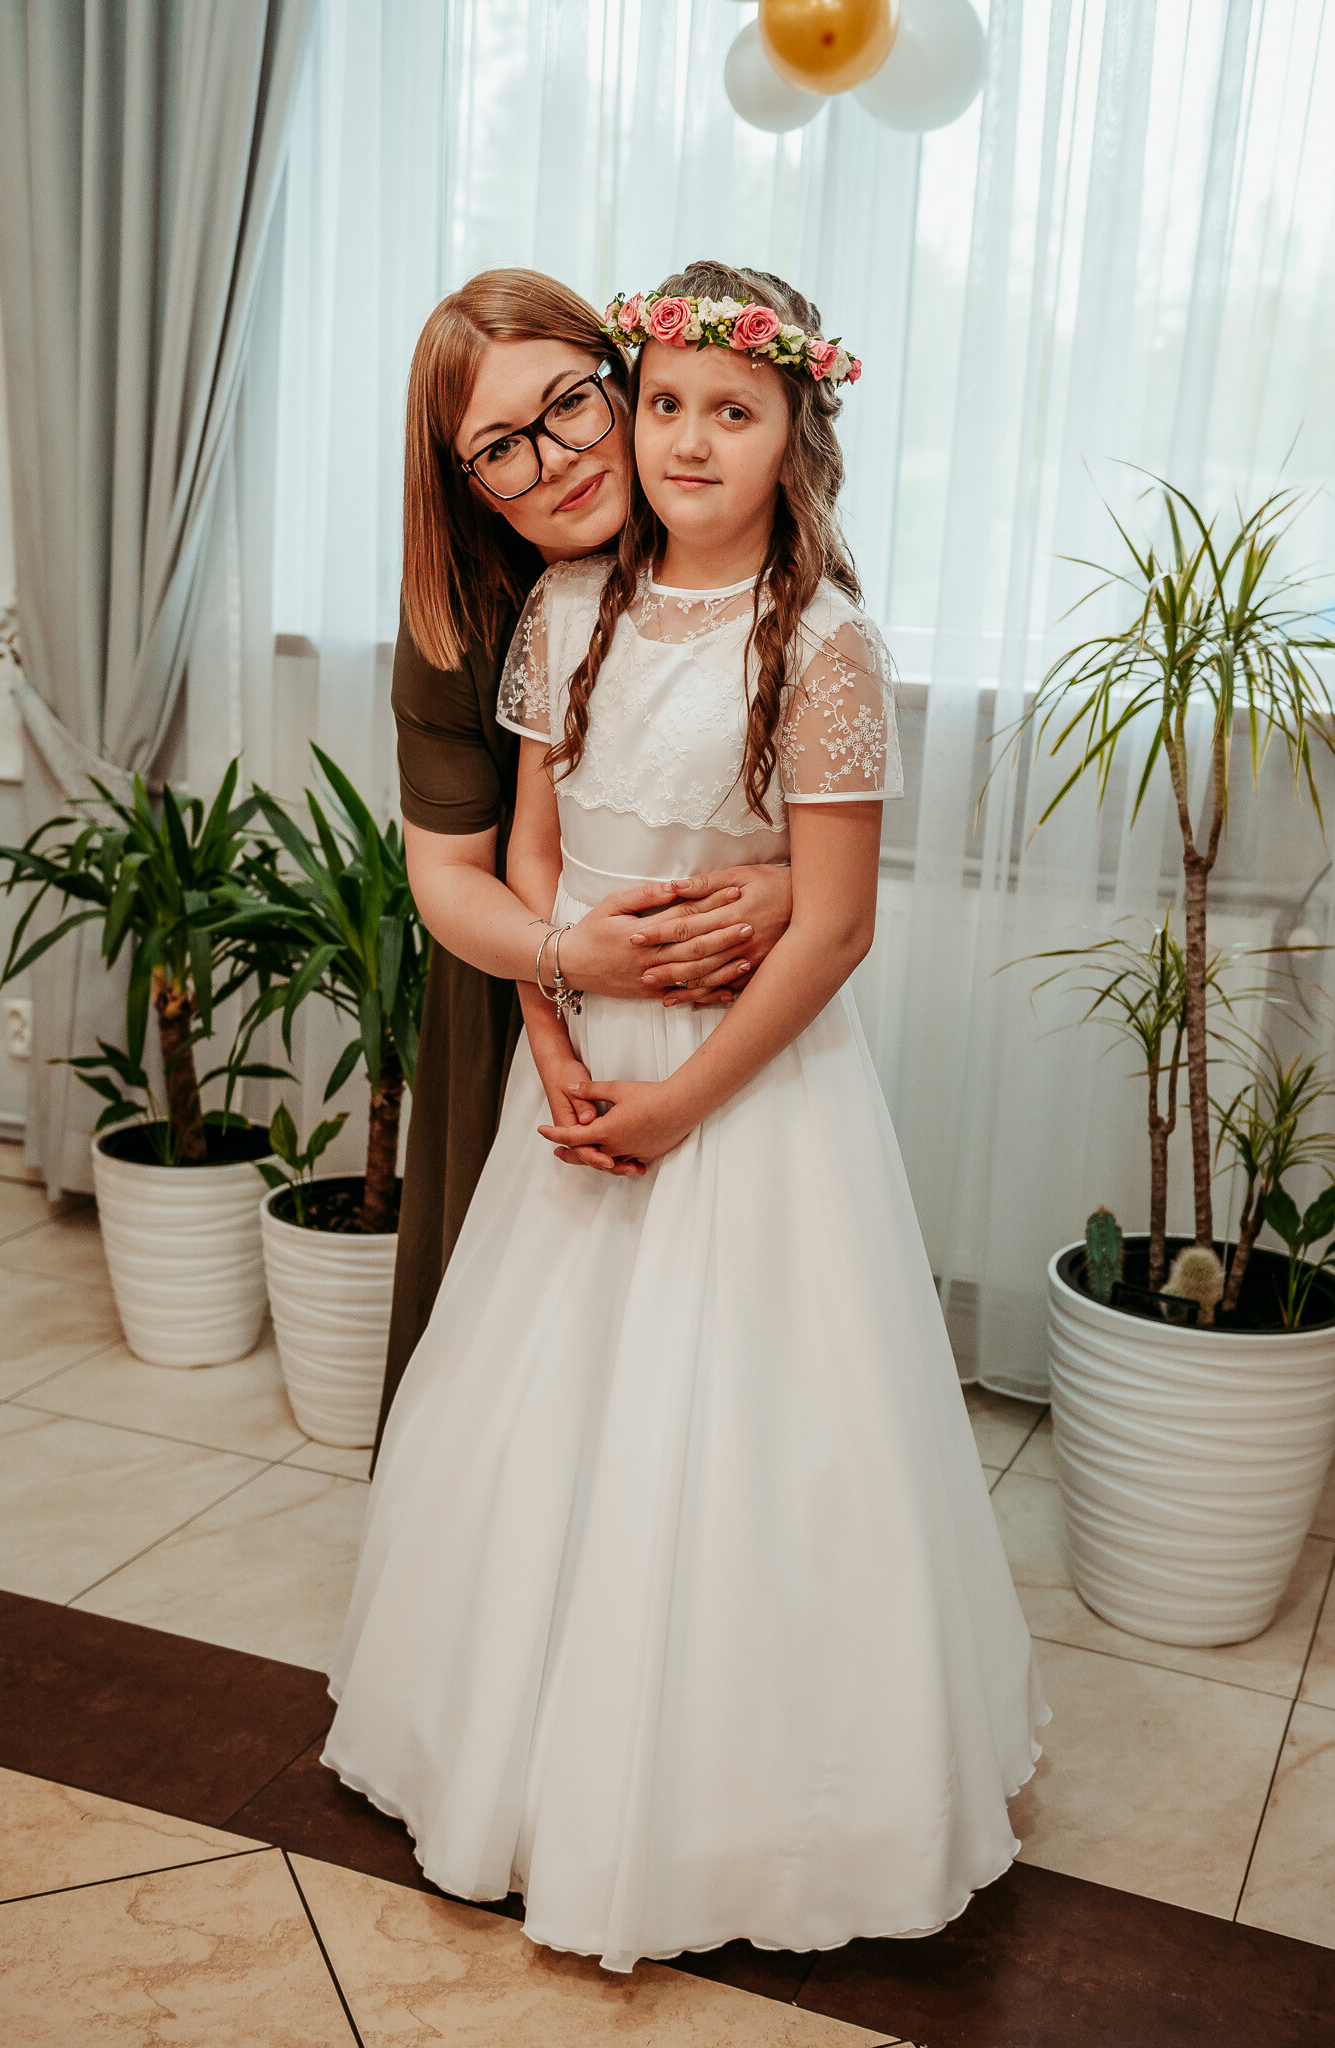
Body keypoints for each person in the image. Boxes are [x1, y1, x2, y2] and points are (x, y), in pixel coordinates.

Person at [325, 261, 1047, 1972]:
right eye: (664, 406)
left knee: (756, 1424)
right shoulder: (550, 613)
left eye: (724, 409)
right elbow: (519, 861)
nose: (671, 440)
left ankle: (736, 1789)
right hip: (578, 1056)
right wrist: (559, 1033)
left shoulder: (824, 642)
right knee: (544, 1402)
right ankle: (518, 1741)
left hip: (746, 1095)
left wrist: (684, 1094)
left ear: (796, 434)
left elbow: (835, 922)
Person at [376, 269, 794, 1462]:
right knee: (512, 1371)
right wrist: (564, 967)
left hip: (720, 994)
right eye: (499, 448)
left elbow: (826, 810)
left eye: (569, 404)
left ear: (625, 379)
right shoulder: (457, 620)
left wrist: (786, 889)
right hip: (514, 986)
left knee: (716, 1364)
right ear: (463, 481)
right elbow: (454, 876)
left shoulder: (746, 544)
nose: (555, 460)